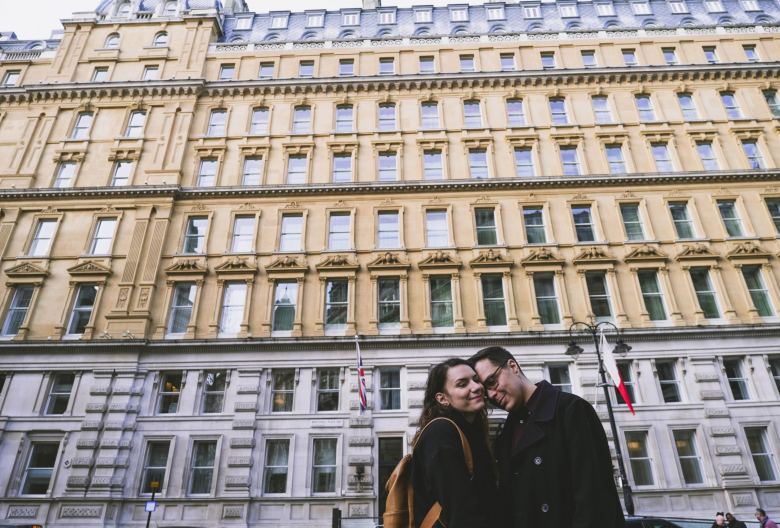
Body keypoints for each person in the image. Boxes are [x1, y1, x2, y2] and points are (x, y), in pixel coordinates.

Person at [468, 346, 625, 528]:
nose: (492, 395)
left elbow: (593, 496)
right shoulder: (506, 434)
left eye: (492, 382)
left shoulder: (571, 410)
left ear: (513, 366)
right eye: (485, 393)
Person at [411, 358, 500, 528]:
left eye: (475, 379)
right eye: (462, 384)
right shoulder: (441, 432)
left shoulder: (469, 431)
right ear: (443, 399)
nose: (476, 387)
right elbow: (462, 512)